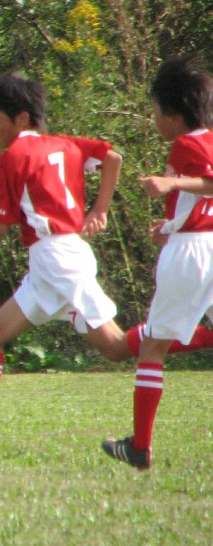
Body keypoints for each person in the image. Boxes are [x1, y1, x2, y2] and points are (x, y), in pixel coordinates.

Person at [0, 71, 213, 457]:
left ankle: (202, 337)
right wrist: (99, 210)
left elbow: (1, 227)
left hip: (58, 260)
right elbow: (112, 157)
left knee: (120, 347)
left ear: (21, 118)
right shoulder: (66, 144)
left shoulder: (12, 157)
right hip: (51, 260)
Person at [102, 55, 213, 470]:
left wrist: (170, 182)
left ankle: (139, 446)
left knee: (153, 346)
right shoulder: (209, 140)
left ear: (173, 113)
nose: (153, 121)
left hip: (192, 254)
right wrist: (169, 227)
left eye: (154, 111)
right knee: (160, 339)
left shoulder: (186, 144)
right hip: (204, 241)